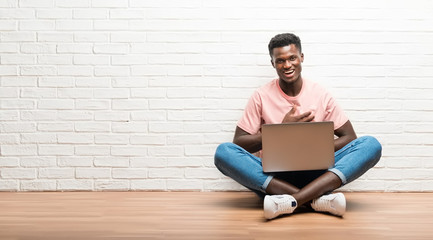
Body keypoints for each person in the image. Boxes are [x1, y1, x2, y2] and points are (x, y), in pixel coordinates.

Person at [214, 33, 382, 220]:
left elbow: (350, 137)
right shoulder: (260, 96)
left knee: (370, 145)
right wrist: (282, 130)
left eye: (292, 58)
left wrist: (317, 149)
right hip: (275, 177)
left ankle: (289, 201)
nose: (287, 65)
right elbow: (239, 144)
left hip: (318, 174)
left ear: (301, 57)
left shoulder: (320, 94)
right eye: (280, 60)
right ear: (273, 63)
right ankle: (317, 199)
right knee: (223, 153)